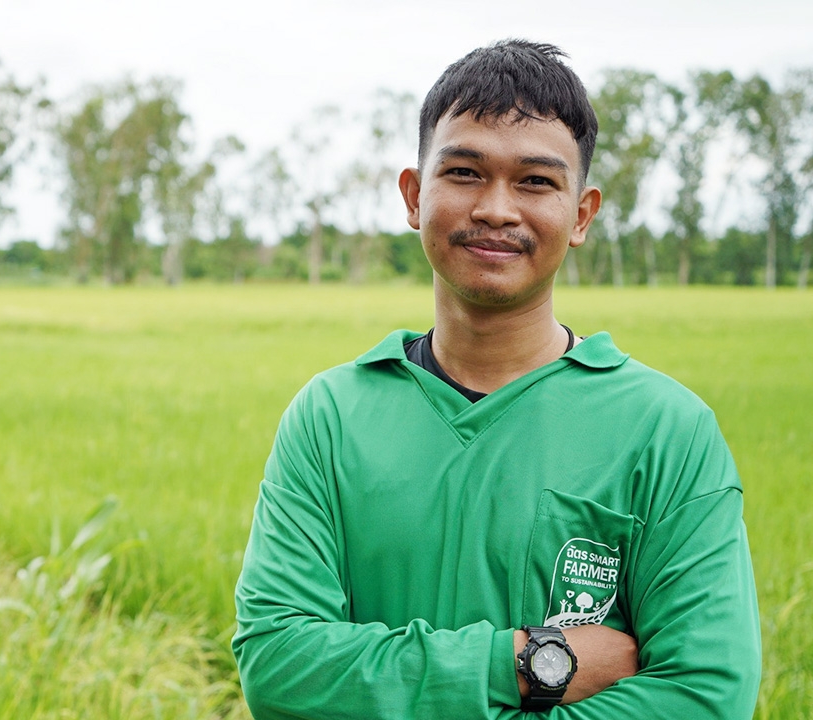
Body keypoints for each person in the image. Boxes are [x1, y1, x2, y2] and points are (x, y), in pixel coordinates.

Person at [232, 40, 762, 718]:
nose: (496, 209)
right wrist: (529, 660)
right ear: (415, 196)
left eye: (536, 181)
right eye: (465, 172)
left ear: (581, 214)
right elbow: (280, 667)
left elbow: (705, 695)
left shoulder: (665, 430)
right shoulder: (332, 417)